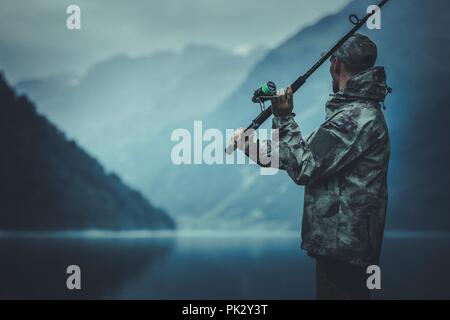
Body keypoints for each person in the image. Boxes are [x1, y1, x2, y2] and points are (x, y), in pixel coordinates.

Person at [229, 33, 391, 300]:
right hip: (342, 247)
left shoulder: (353, 119)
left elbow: (304, 168)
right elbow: (300, 157)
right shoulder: (354, 114)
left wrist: (283, 116)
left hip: (343, 250)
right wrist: (250, 146)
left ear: (335, 64)